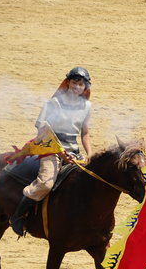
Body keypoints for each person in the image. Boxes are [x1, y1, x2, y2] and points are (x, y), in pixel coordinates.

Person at [11, 67, 93, 236]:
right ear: (68, 83)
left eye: (81, 84)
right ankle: (18, 215)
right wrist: (60, 152)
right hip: (51, 148)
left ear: (85, 87)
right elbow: (43, 131)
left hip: (73, 151)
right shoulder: (53, 103)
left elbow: (85, 133)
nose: (77, 87)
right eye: (74, 82)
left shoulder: (87, 106)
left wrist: (90, 154)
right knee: (45, 184)